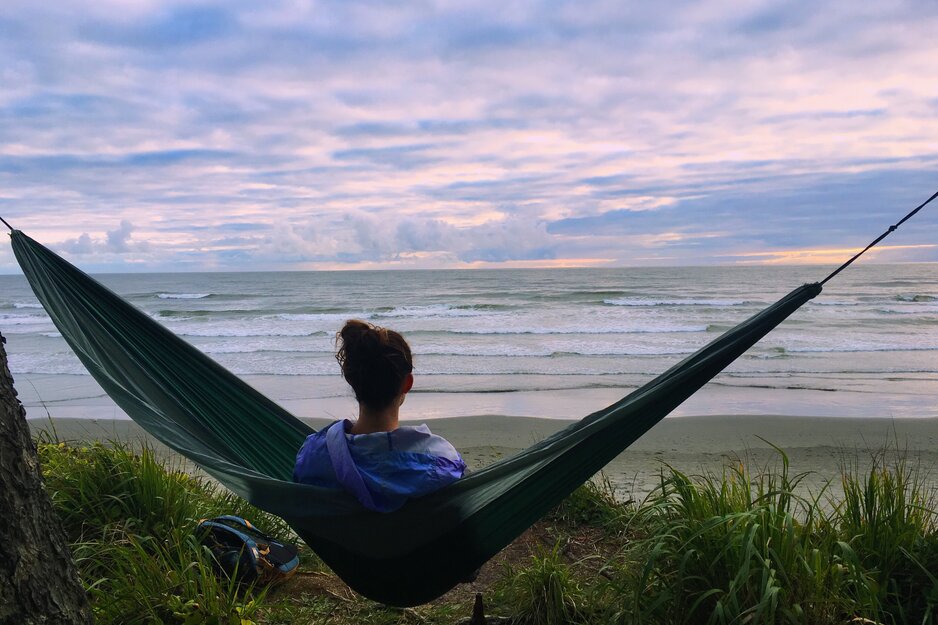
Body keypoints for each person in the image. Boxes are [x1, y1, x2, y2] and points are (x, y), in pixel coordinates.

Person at [293, 319, 466, 512]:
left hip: (339, 541)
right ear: (407, 383)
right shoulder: (441, 462)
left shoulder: (312, 455)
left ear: (351, 380)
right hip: (414, 541)